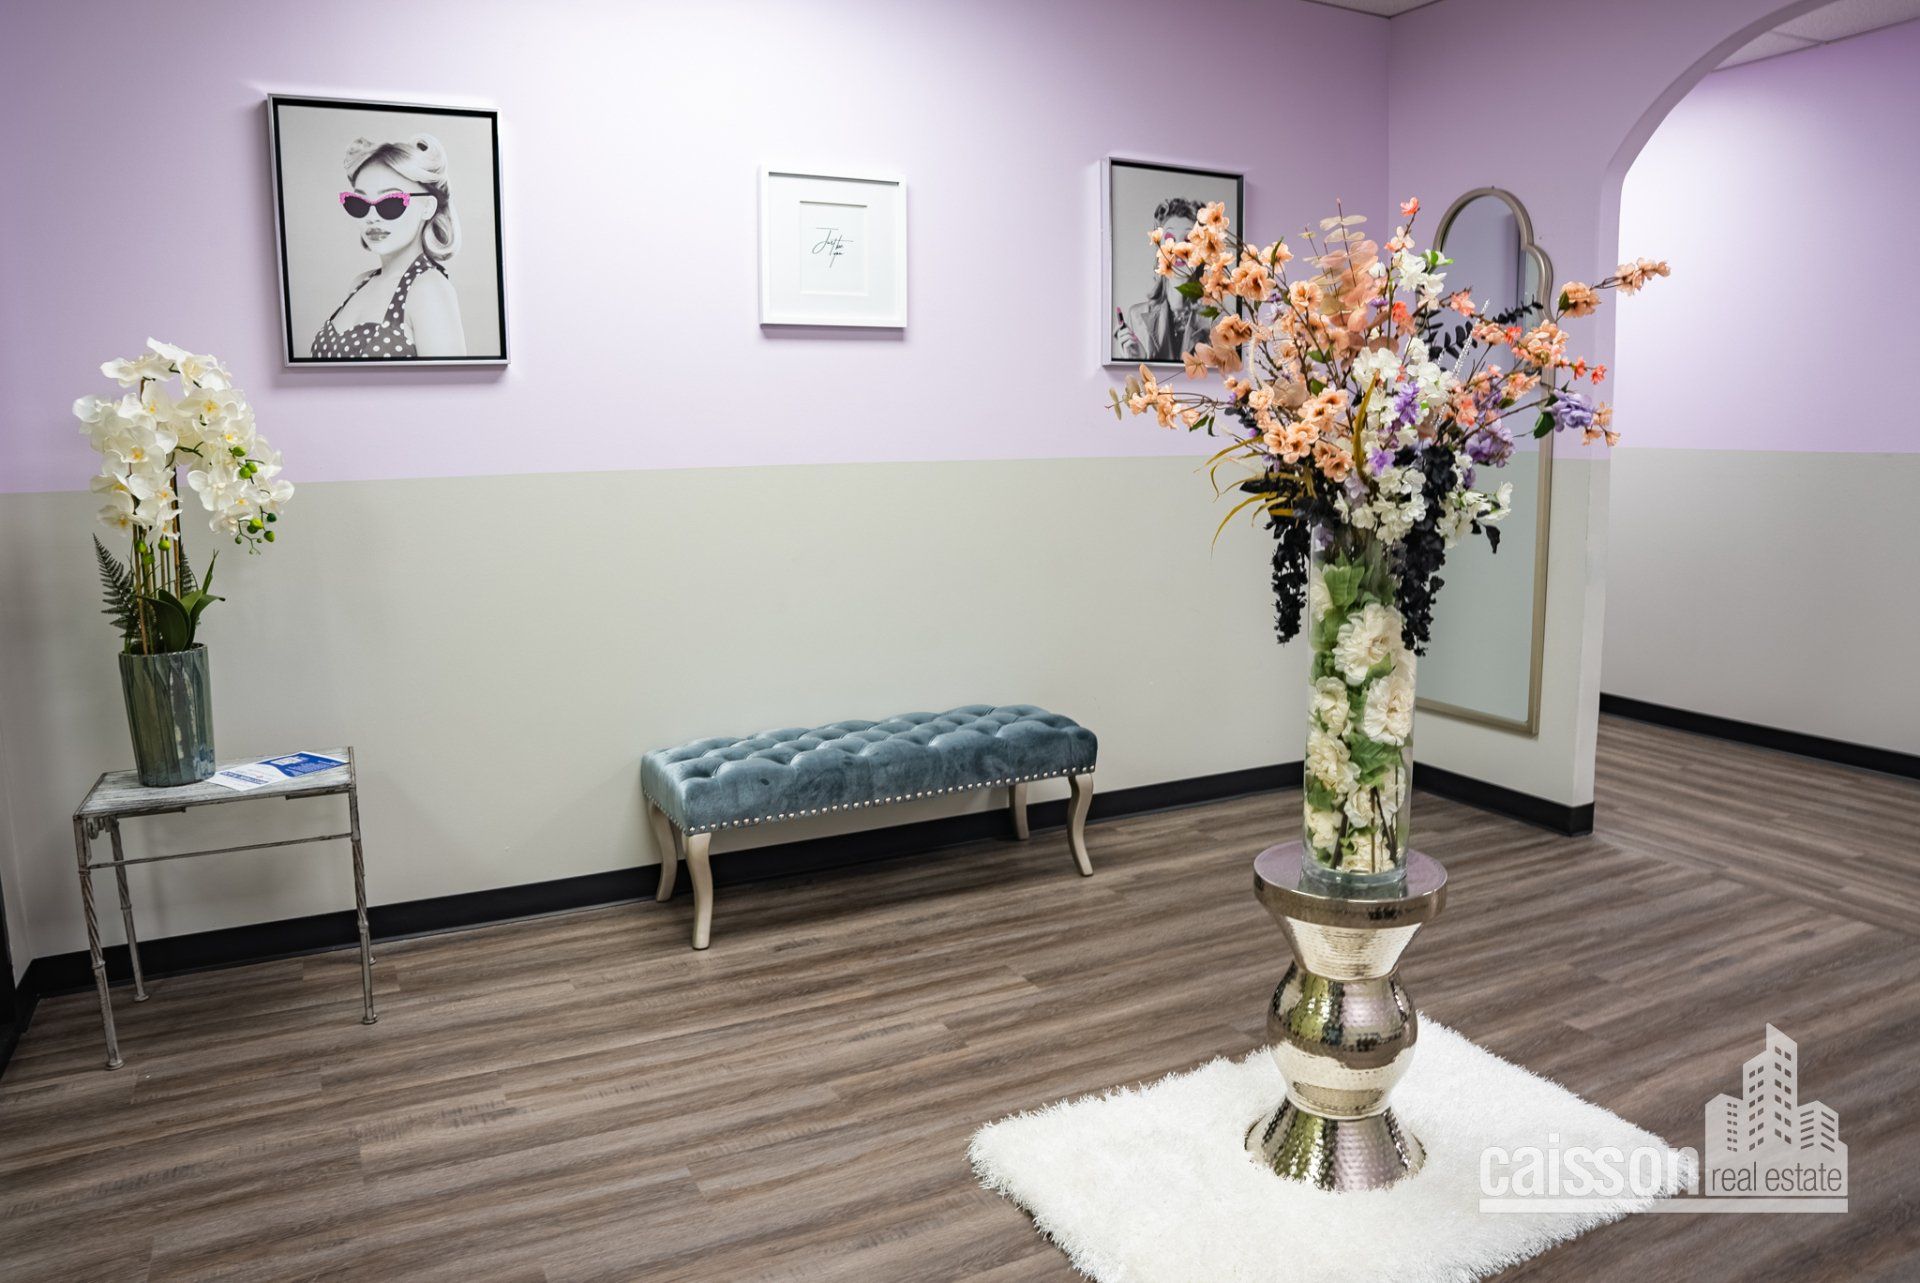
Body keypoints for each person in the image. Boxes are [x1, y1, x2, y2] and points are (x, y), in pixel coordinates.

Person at [311, 133, 467, 359]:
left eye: (391, 203)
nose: (371, 217)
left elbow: (451, 389)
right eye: (359, 203)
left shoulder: (428, 289)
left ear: (427, 207)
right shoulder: (360, 283)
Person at [1114, 196, 1211, 363]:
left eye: (1188, 239)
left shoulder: (1216, 321)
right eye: (1170, 239)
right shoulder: (1136, 317)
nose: (1178, 248)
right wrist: (1136, 359)